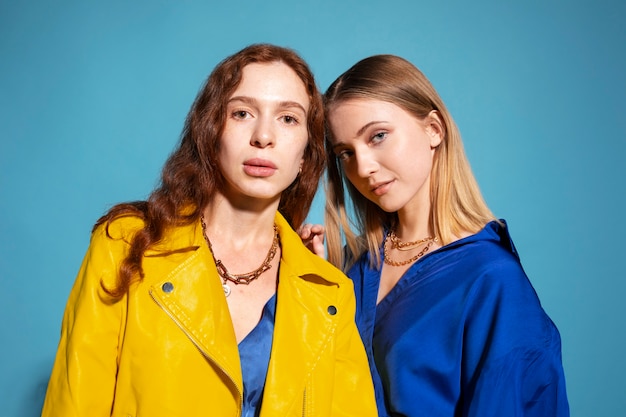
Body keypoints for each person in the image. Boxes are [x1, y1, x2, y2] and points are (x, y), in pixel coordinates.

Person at [41, 44, 377, 417]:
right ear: (211, 131)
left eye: (288, 119)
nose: (263, 136)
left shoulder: (329, 293)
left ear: (305, 156)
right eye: (242, 112)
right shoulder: (126, 244)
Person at [318, 54, 569, 416]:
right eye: (345, 153)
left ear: (434, 129)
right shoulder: (356, 265)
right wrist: (311, 286)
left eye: (378, 136)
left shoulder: (492, 280)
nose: (363, 167)